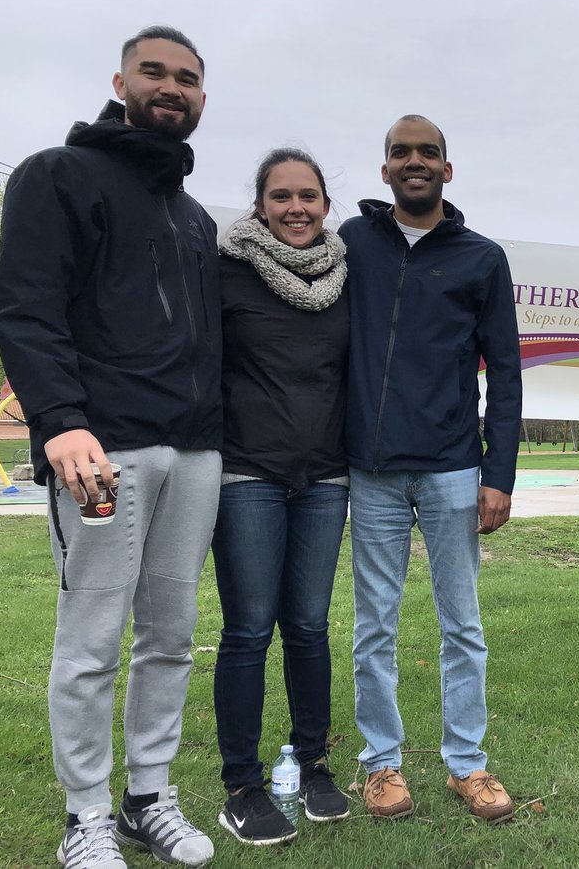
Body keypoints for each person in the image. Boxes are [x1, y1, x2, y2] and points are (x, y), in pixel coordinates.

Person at [0, 27, 219, 867]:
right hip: (101, 450)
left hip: (194, 454)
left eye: (188, 78)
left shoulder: (193, 217)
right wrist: (60, 419)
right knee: (90, 643)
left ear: (202, 97)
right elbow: (22, 306)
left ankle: (147, 799)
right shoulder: (58, 175)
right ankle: (85, 817)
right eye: (154, 72)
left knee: (171, 637)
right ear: (119, 81)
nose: (172, 87)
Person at [339, 115, 522, 822]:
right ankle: (380, 765)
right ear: (384, 171)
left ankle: (466, 765)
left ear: (448, 169)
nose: (414, 161)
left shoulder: (481, 257)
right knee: (373, 626)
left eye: (428, 153)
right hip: (371, 470)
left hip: (451, 468)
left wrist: (498, 473)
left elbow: (505, 372)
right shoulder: (351, 242)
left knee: (462, 626)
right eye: (400, 152)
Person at [210, 149, 351, 844]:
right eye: (282, 196)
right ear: (260, 204)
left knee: (310, 626)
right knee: (248, 628)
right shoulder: (226, 271)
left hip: (325, 478)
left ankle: (314, 763)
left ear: (327, 204)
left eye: (309, 196)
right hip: (247, 476)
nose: (297, 208)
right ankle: (241, 784)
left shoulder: (346, 277)